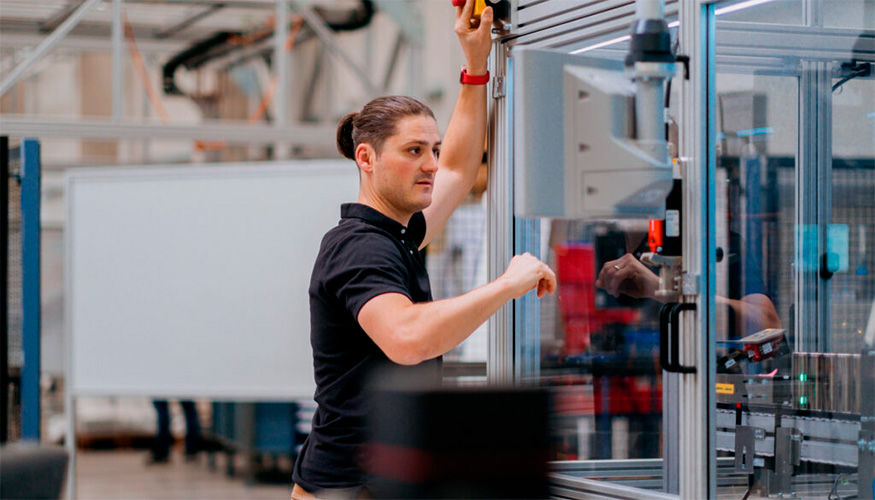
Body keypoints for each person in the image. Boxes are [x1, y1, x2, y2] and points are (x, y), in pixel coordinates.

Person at [291, 1, 557, 498]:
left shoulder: (399, 233)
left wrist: (475, 64)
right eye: (414, 151)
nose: (431, 163)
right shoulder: (359, 248)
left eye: (431, 149)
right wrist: (506, 284)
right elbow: (408, 339)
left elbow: (458, 167)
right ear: (366, 158)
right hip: (346, 486)